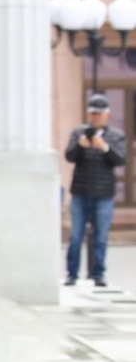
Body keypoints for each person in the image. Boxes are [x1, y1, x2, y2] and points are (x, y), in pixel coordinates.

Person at [65, 92, 126, 287]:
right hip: (80, 192)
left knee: (101, 235)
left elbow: (120, 160)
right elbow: (69, 156)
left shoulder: (115, 136)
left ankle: (98, 274)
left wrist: (105, 148)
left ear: (107, 115)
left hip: (103, 194)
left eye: (99, 114)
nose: (95, 117)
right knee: (76, 235)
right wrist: (81, 146)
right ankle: (72, 274)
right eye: (92, 113)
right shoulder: (79, 133)